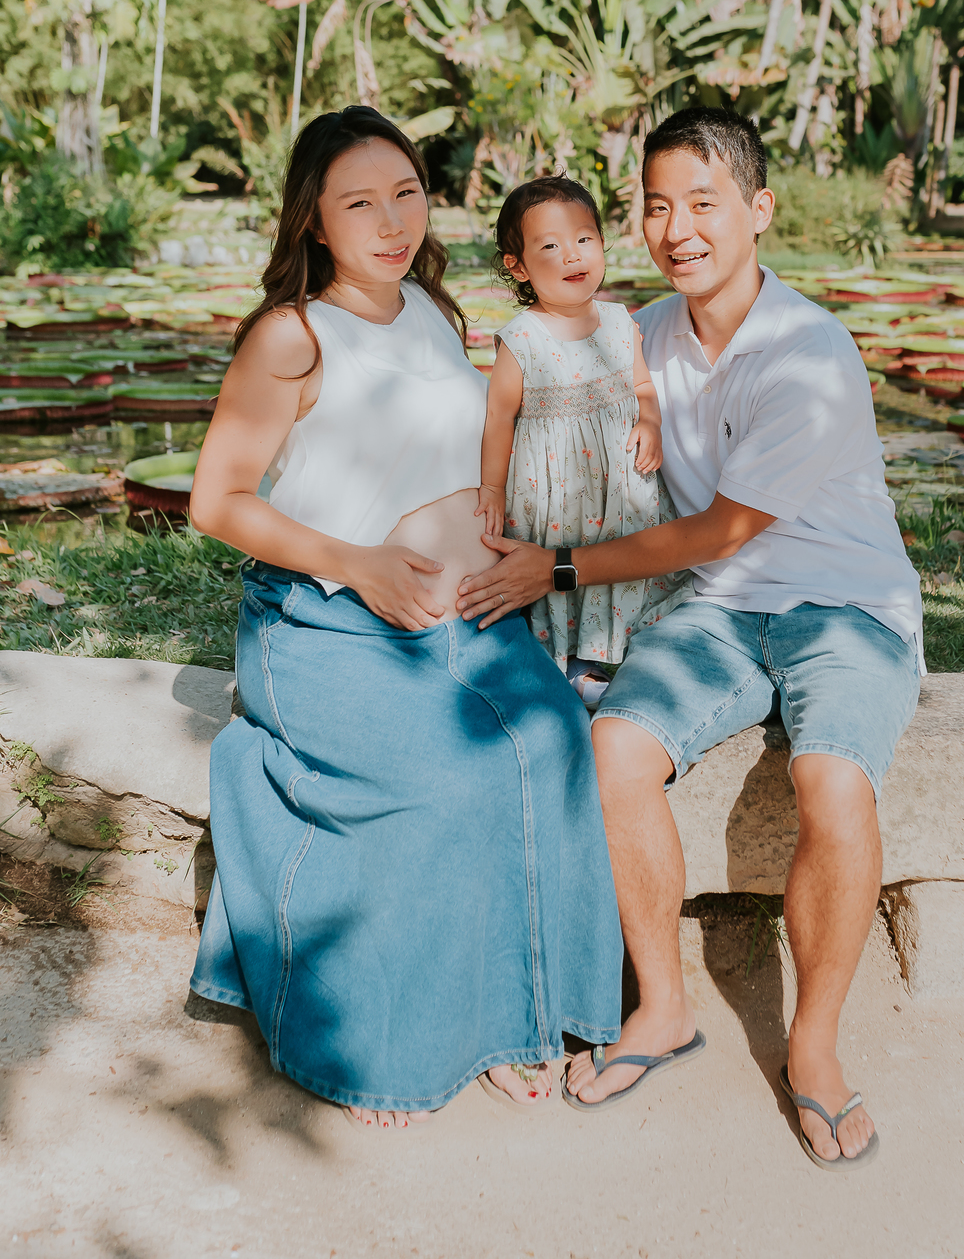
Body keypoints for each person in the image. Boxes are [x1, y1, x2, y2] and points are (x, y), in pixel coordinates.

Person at [458, 107, 923, 1170]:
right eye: (657, 206)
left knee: (832, 779)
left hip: (842, 606)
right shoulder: (641, 333)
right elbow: (537, 402)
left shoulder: (810, 351)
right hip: (710, 611)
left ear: (758, 210)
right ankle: (662, 1008)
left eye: (703, 203)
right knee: (614, 748)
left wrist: (558, 569)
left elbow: (720, 527)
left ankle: (811, 1046)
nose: (678, 228)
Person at [189, 106, 621, 1129]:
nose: (391, 221)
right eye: (358, 203)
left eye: (407, 194)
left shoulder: (430, 305)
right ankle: (384, 1037)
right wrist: (363, 565)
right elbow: (217, 502)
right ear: (315, 220)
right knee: (448, 775)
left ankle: (528, 1012)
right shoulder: (291, 337)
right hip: (326, 621)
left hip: (465, 617)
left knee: (557, 735)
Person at [479, 176, 691, 705]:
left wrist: (650, 422)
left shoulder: (620, 323)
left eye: (584, 238)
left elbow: (642, 384)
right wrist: (489, 488)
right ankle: (570, 664)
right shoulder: (523, 337)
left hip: (619, 487)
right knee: (558, 567)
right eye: (550, 246)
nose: (572, 255)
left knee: (616, 562)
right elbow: (499, 418)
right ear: (519, 267)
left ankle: (621, 652)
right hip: (554, 492)